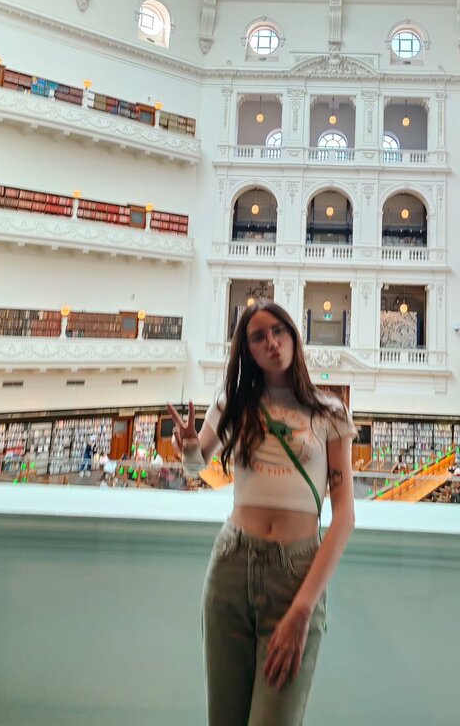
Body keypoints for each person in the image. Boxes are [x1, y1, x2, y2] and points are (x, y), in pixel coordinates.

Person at [167, 300, 356, 726]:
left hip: (295, 571)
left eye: (279, 331)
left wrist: (303, 610)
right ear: (247, 350)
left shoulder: (329, 413)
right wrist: (189, 447)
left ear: (293, 336)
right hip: (232, 562)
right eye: (258, 336)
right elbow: (197, 466)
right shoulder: (233, 403)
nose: (272, 342)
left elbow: (344, 516)